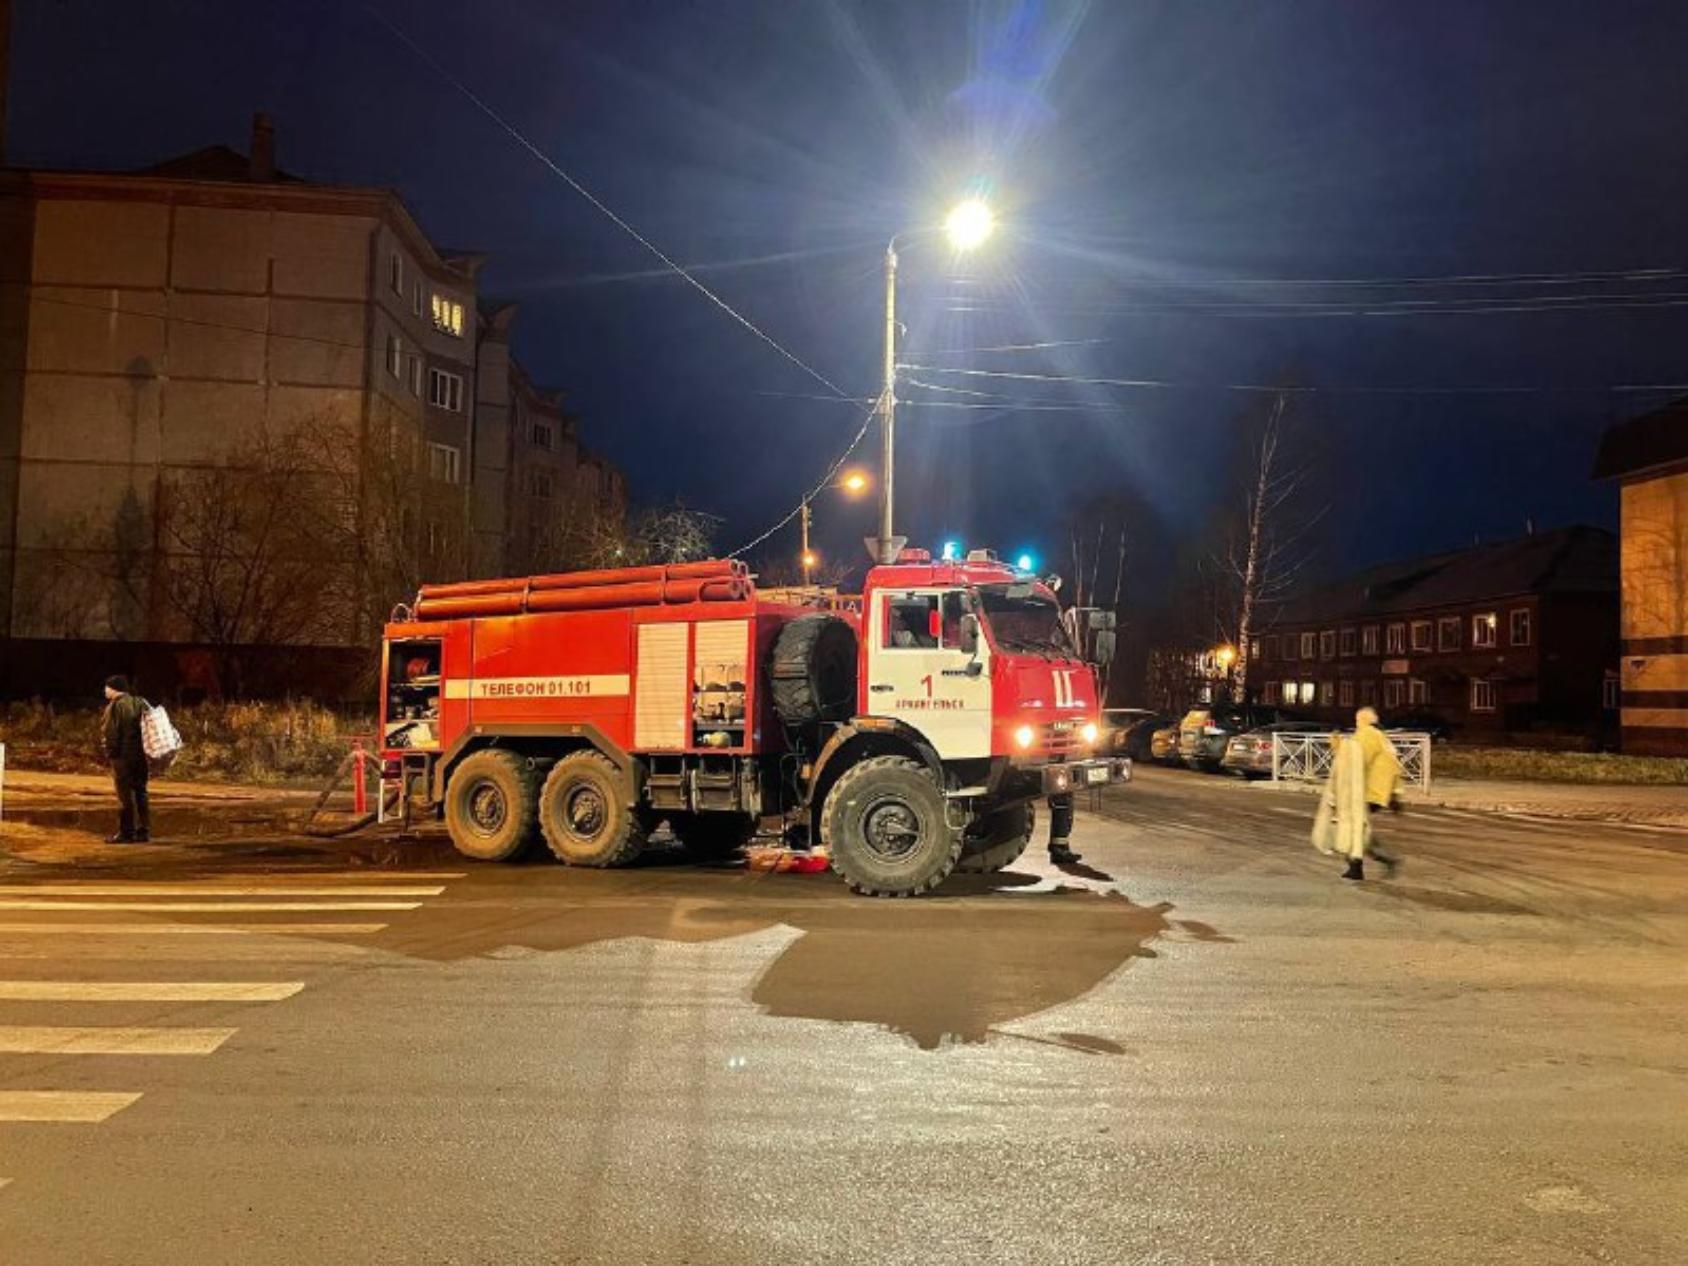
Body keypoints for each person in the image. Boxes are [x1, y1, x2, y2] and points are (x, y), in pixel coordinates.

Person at [1311, 706, 1403, 881]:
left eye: (1357, 720)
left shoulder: (1367, 735)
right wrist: (1395, 794)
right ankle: (1362, 863)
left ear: (1363, 720)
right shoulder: (1380, 737)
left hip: (1366, 791)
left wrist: (1338, 745)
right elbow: (1392, 765)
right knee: (1359, 828)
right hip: (1378, 792)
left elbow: (1355, 759)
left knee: (1356, 827)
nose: (1356, 723)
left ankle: (1365, 864)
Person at [101, 675, 150, 843]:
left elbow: (111, 734)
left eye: (107, 687)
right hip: (141, 755)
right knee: (141, 792)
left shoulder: (115, 707)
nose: (105, 690)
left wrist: (111, 754)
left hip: (123, 756)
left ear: (115, 689)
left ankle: (126, 832)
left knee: (124, 795)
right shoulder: (139, 702)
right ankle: (143, 831)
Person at [1047, 791, 1081, 865]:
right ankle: (1059, 850)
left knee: (1065, 813)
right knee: (1062, 807)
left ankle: (1060, 850)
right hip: (1060, 793)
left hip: (1062, 791)